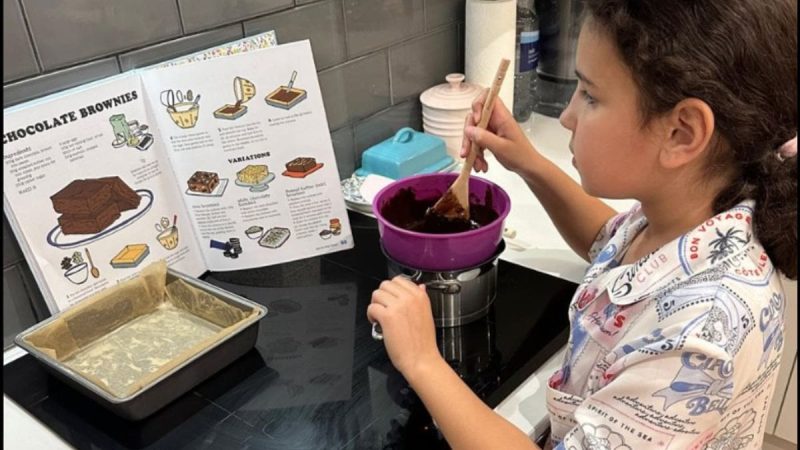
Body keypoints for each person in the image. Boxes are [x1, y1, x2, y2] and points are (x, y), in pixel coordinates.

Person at [366, 0, 797, 448]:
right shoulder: (691, 217)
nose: (568, 116)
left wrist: (422, 361)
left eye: (590, 95)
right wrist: (527, 162)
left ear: (681, 133)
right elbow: (607, 240)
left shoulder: (699, 336)